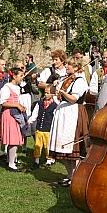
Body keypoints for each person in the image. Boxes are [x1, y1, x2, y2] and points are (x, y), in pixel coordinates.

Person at [48, 56, 88, 187]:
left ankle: (75, 176)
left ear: (76, 67)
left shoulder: (80, 81)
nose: (66, 67)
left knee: (73, 147)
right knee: (63, 149)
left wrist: (63, 92)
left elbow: (73, 98)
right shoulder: (66, 79)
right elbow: (54, 93)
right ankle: (69, 175)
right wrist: (55, 87)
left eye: (69, 65)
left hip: (73, 113)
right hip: (64, 113)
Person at [0, 66, 29, 172]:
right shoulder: (6, 88)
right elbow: (3, 102)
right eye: (20, 76)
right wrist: (16, 106)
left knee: (15, 138)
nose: (22, 77)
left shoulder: (18, 87)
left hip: (15, 113)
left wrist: (20, 106)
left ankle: (11, 160)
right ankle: (11, 163)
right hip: (9, 114)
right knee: (13, 138)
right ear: (14, 76)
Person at [28, 84, 59, 168]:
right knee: (38, 144)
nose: (45, 95)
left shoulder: (55, 105)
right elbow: (35, 113)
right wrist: (30, 121)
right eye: (45, 93)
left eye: (48, 93)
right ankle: (36, 160)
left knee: (47, 145)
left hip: (48, 129)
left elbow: (56, 117)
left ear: (52, 94)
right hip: (39, 128)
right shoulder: (39, 103)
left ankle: (49, 160)